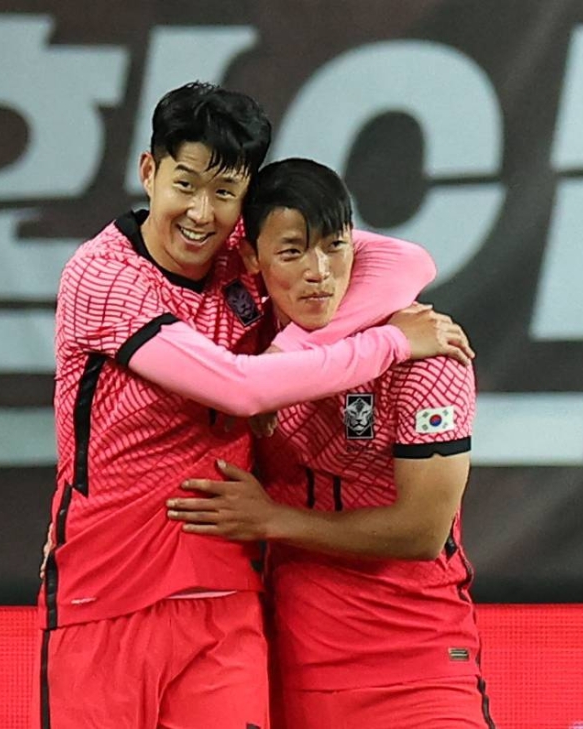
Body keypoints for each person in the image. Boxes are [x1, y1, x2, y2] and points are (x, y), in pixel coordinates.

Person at [36, 82, 473, 729]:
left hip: (225, 595)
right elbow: (240, 388)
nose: (201, 213)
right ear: (149, 171)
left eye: (224, 193)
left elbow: (400, 258)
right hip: (107, 594)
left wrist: (299, 341)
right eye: (185, 183)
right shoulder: (104, 277)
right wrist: (378, 343)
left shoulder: (244, 252)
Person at [166, 158, 495, 728]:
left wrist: (271, 520)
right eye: (292, 253)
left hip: (420, 668)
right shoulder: (238, 356)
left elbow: (423, 531)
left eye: (334, 247)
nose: (319, 272)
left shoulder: (425, 350)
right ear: (253, 259)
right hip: (296, 673)